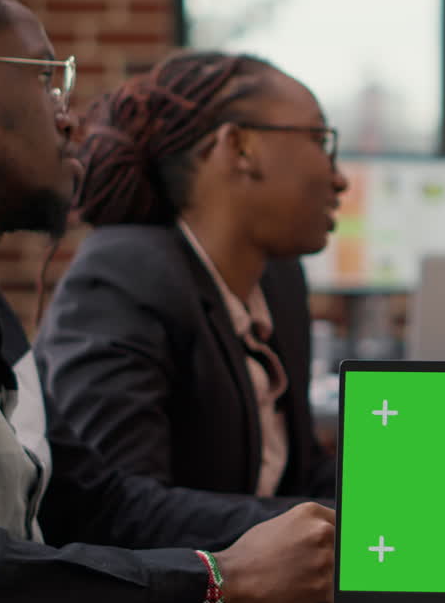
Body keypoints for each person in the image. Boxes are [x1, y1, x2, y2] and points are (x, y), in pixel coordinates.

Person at [0, 0, 333, 603]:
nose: (70, 117)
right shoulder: (128, 275)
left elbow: (102, 504)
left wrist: (337, 531)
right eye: (44, 78)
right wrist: (218, 580)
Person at [33, 50, 347, 504]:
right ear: (239, 147)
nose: (339, 179)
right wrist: (324, 531)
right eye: (320, 139)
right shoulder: (122, 279)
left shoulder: (279, 280)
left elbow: (300, 478)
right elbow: (120, 514)